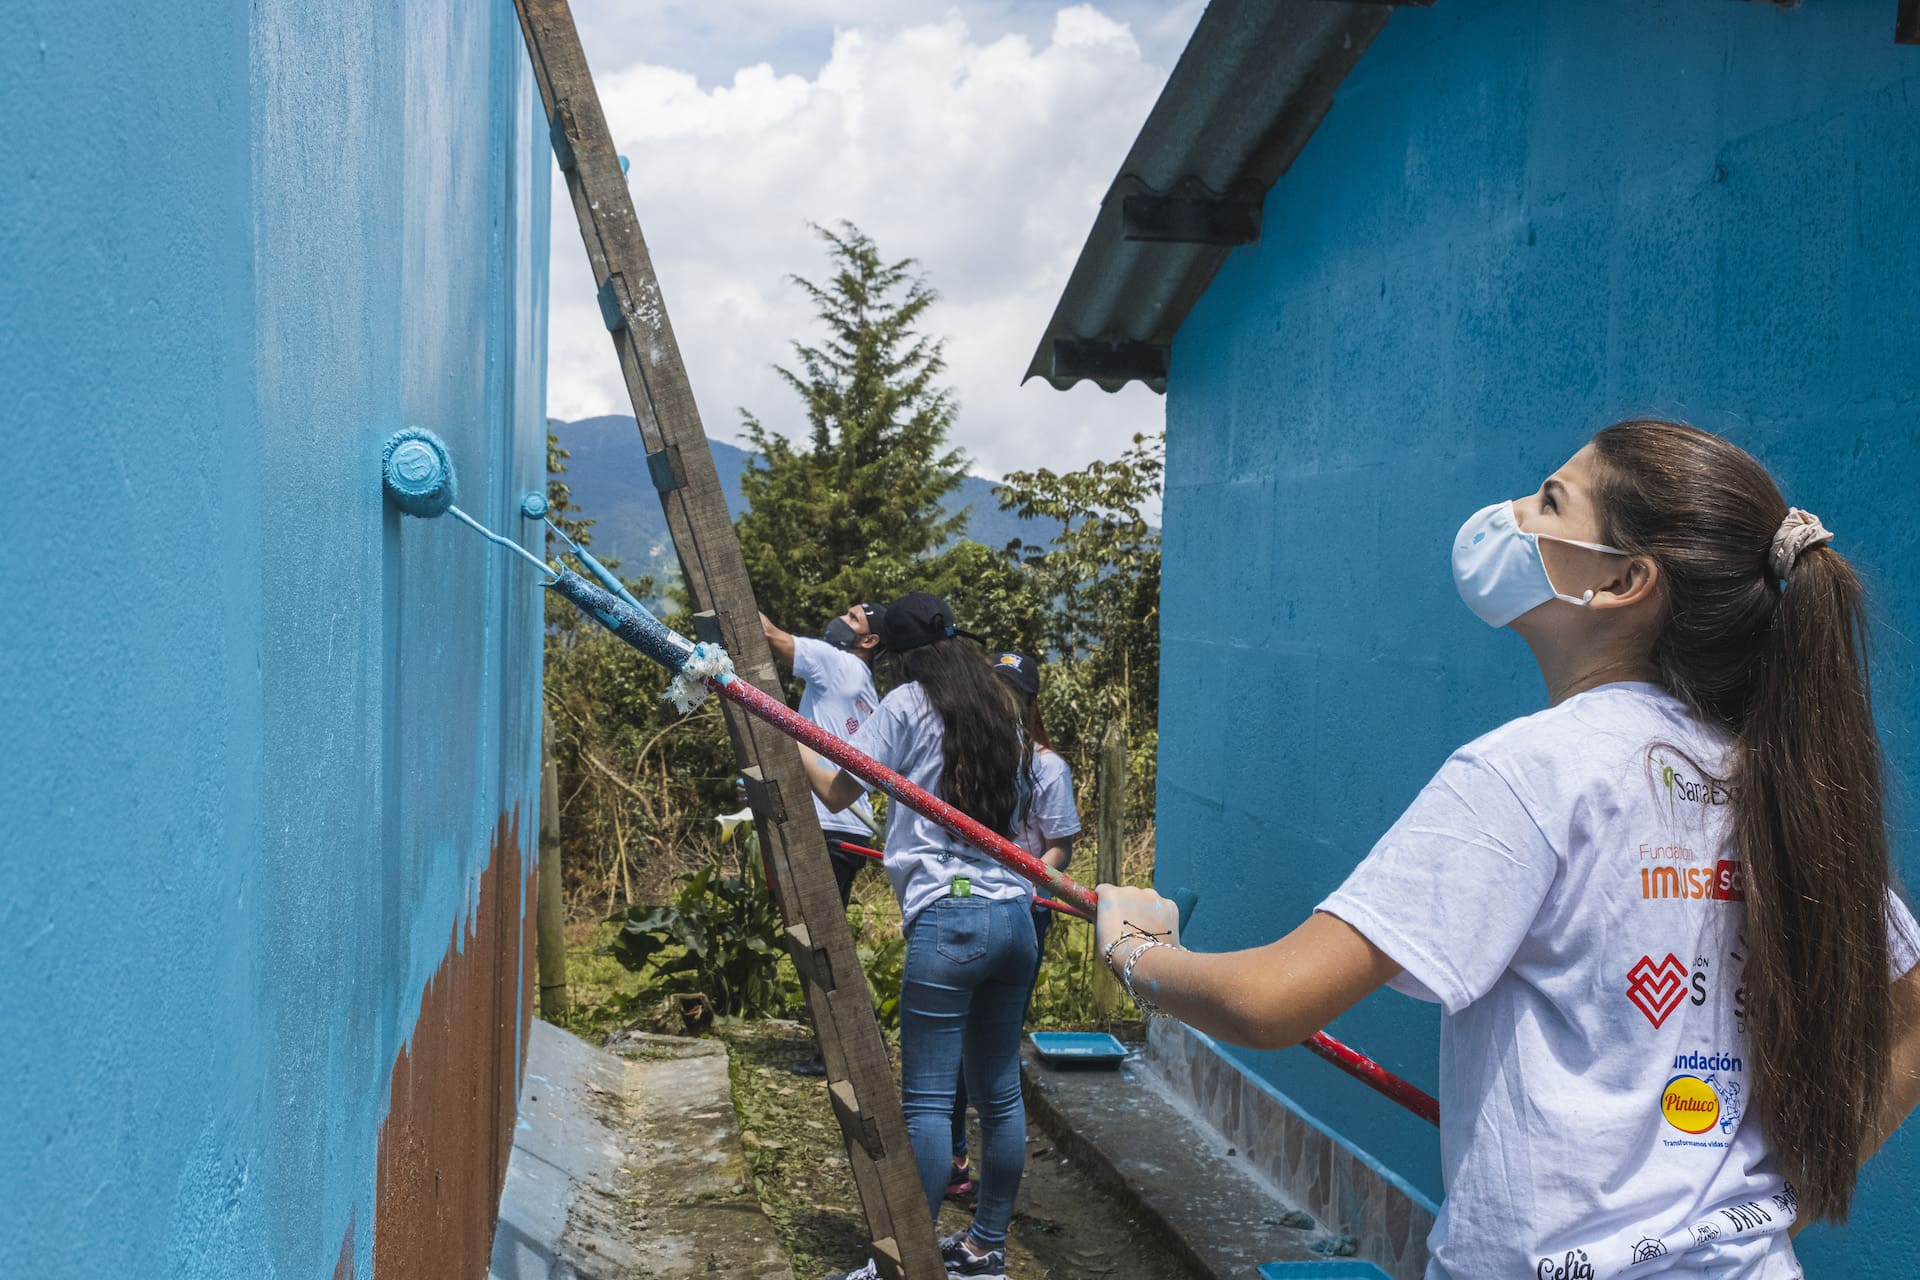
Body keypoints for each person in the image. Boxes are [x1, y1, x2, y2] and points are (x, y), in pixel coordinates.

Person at [1095, 420, 1920, 1280]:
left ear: (1623, 580)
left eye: (1549, 501)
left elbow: (1272, 1001)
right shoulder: (1772, 778)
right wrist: (1789, 1188)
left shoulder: (1527, 773)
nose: (1513, 515)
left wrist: (1133, 949)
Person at [801, 593, 1036, 1280]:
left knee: (929, 1105)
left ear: (899, 653)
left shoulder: (904, 705)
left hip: (949, 920)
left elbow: (839, 791)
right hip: (1014, 918)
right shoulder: (1005, 712)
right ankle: (987, 1248)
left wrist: (789, 738)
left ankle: (905, 1261)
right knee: (1000, 1095)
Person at [944, 652, 1080, 1202]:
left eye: (1010, 693)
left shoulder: (1047, 766)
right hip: (960, 906)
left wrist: (1027, 885)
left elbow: (1059, 844)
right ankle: (952, 1158)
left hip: (1023, 915)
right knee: (949, 1042)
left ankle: (993, 1191)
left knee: (994, 1051)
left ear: (1027, 702)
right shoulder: (961, 754)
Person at [762, 602, 885, 1078]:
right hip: (845, 828)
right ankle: (848, 1044)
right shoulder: (865, 687)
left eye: (853, 618)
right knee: (825, 942)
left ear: (869, 641)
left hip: (829, 825)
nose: (841, 619)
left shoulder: (837, 664)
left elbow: (770, 633)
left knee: (822, 946)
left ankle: (846, 1050)